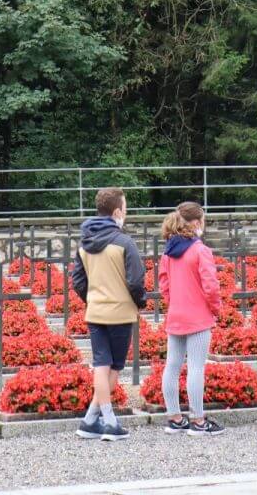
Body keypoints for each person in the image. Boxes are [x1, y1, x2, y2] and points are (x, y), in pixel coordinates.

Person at [71, 187, 145, 441]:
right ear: (116, 212)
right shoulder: (124, 243)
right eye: (125, 209)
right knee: (113, 367)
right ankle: (110, 422)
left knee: (101, 365)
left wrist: (92, 299)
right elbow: (136, 281)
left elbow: (78, 281)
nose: (126, 213)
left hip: (95, 312)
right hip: (121, 313)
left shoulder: (85, 243)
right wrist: (139, 302)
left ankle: (91, 420)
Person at [158, 201, 226, 436]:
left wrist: (174, 303)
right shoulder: (200, 250)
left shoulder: (168, 250)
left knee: (172, 366)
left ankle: (174, 417)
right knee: (196, 367)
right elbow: (211, 286)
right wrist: (216, 308)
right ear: (197, 222)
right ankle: (198, 420)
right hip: (198, 316)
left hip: (176, 314)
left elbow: (164, 284)